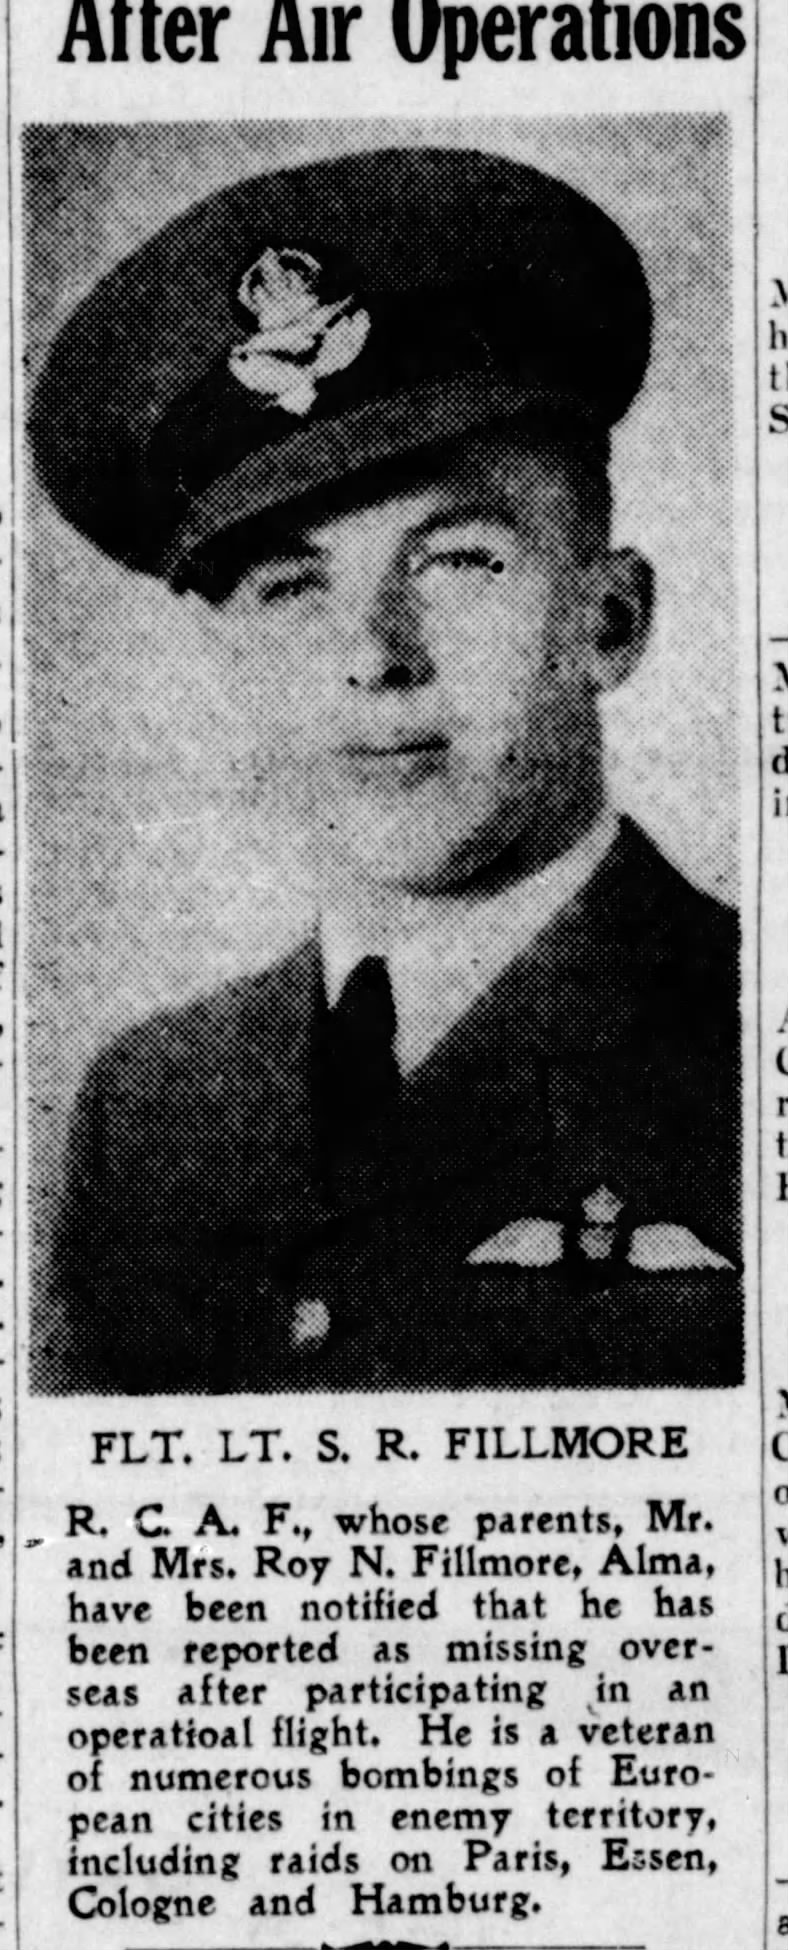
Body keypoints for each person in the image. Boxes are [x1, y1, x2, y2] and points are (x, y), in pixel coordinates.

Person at [29, 145, 741, 1394]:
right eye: (289, 587)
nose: (371, 656)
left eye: (455, 562)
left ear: (607, 622)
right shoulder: (147, 1109)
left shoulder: (745, 1037)